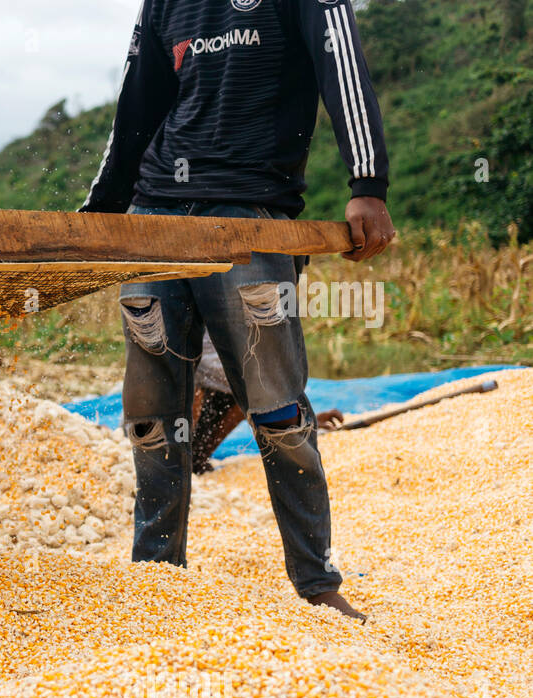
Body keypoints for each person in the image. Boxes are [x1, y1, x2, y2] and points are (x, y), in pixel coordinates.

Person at [81, 0, 395, 621]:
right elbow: (138, 100)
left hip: (250, 220)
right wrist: (103, 211)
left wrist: (367, 183)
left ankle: (316, 582)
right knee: (152, 414)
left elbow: (343, 66)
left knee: (279, 410)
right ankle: (156, 578)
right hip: (155, 218)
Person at [191, 332, 343, 473]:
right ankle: (180, 455)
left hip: (223, 381)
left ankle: (196, 457)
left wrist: (303, 420)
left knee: (252, 388)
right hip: (194, 375)